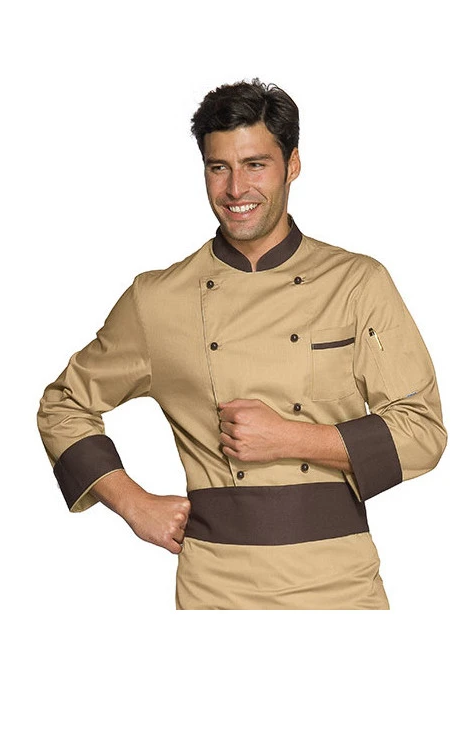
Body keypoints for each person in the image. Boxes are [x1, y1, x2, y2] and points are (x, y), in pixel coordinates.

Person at [37, 79, 447, 610]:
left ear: (292, 165)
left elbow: (422, 432)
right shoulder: (157, 300)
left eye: (255, 164)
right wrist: (132, 502)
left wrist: (290, 437)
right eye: (219, 167)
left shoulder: (357, 284)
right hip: (216, 587)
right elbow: (63, 405)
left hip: (341, 584)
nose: (235, 189)